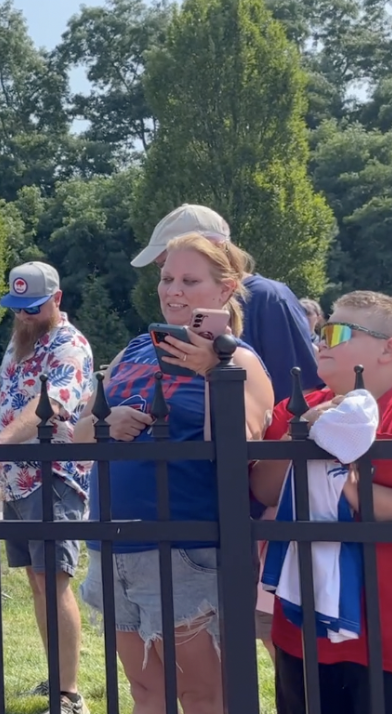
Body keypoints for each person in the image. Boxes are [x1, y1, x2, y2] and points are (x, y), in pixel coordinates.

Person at [76, 233, 274, 714]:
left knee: (204, 696)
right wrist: (106, 423)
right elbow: (73, 433)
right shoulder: (135, 349)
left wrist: (213, 369)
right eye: (167, 278)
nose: (173, 291)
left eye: (190, 280)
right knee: (146, 693)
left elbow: (245, 447)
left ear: (225, 290)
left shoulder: (239, 358)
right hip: (113, 545)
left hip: (186, 548)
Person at [251, 290, 392, 714]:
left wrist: (348, 482)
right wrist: (301, 435)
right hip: (305, 627)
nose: (322, 339)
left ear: (389, 349)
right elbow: (262, 491)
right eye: (323, 328)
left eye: (338, 330)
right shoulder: (299, 406)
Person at [0, 261, 93, 714]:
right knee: (37, 582)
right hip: (17, 478)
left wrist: (1, 442)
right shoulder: (19, 343)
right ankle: (56, 678)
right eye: (17, 308)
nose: (24, 316)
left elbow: (49, 404)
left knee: (54, 582)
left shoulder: (69, 345)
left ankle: (69, 693)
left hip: (53, 476)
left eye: (33, 308)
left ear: (57, 299)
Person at [132, 204, 321, 402]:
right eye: (165, 270)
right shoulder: (185, 301)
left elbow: (302, 393)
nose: (172, 287)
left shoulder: (268, 297)